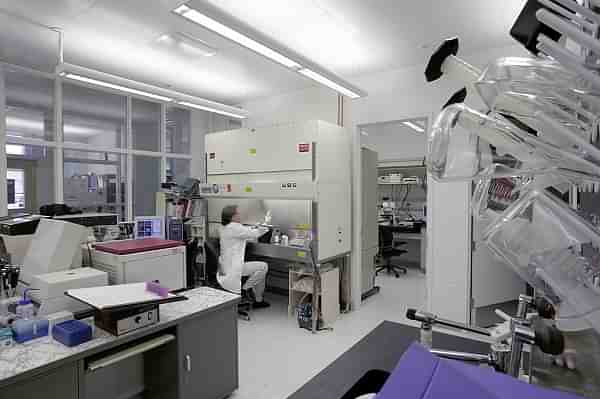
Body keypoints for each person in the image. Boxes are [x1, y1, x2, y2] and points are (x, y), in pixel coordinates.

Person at [218, 205, 270, 308]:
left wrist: (255, 227)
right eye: (238, 213)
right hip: (234, 268)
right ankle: (245, 289)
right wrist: (266, 222)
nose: (240, 215)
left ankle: (258, 300)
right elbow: (256, 234)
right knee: (263, 266)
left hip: (225, 267)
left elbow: (245, 231)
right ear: (232, 216)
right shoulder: (235, 227)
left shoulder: (225, 227)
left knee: (260, 271)